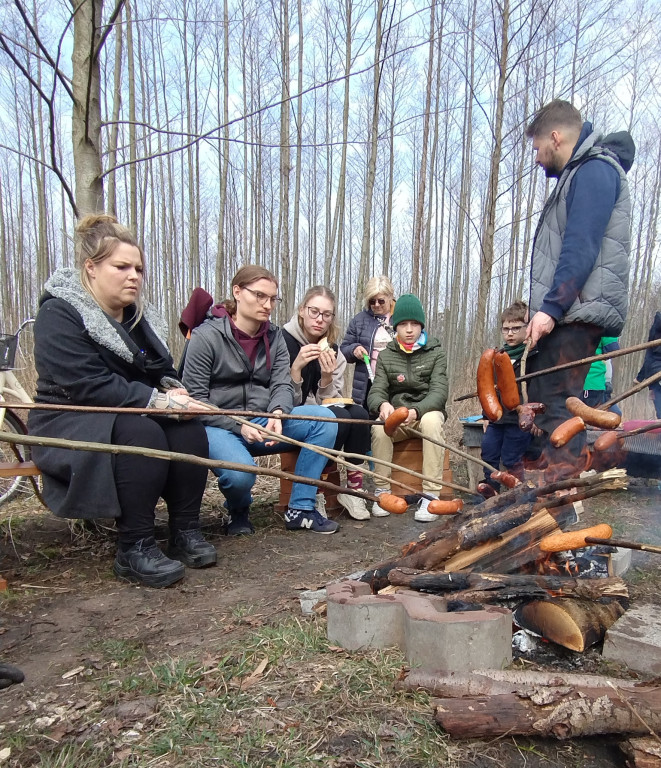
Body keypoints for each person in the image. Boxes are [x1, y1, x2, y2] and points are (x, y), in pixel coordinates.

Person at [28, 214, 216, 589]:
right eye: (122, 266)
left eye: (139, 268)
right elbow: (88, 385)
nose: (134, 275)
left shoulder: (140, 319)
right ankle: (135, 546)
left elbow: (158, 371)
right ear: (91, 268)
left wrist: (171, 391)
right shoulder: (59, 313)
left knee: (189, 432)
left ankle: (184, 530)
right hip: (70, 415)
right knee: (141, 432)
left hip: (132, 409)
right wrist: (157, 400)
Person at [181, 266, 340, 536]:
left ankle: (300, 508)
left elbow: (281, 383)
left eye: (272, 299)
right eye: (259, 296)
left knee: (325, 420)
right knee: (241, 474)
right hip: (218, 425)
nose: (267, 305)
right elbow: (195, 400)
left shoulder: (274, 337)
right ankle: (238, 510)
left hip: (263, 422)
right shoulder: (205, 337)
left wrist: (278, 412)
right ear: (237, 292)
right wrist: (237, 425)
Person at [524, 99, 634, 457]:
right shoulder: (582, 172)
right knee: (544, 401)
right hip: (568, 312)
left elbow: (580, 246)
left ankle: (563, 501)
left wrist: (550, 308)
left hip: (575, 312)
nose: (537, 159)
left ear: (556, 138)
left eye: (538, 148)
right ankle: (548, 494)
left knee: (559, 404)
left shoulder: (593, 171)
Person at [282, 287, 372, 520]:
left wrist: (326, 377)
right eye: (314, 312)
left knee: (360, 414)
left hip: (321, 408)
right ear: (302, 311)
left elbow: (333, 400)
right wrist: (296, 368)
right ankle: (317, 491)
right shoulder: (283, 342)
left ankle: (354, 489)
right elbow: (283, 399)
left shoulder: (334, 350)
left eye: (327, 314)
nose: (320, 320)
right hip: (292, 413)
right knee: (331, 420)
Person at [367, 294, 448, 521]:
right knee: (378, 427)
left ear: (421, 325)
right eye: (403, 324)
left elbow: (439, 393)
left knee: (432, 421)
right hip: (398, 417)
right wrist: (382, 404)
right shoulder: (386, 356)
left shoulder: (436, 353)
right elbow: (376, 391)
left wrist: (417, 411)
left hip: (425, 413)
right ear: (396, 327)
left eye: (414, 324)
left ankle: (431, 495)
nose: (409, 330)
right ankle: (383, 492)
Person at [480, 301, 534, 494]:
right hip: (498, 418)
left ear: (526, 328)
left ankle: (517, 493)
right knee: (488, 453)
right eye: (506, 329)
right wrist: (486, 415)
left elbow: (537, 390)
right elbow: (487, 388)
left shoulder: (532, 355)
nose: (510, 333)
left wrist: (535, 417)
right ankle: (490, 492)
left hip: (518, 421)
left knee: (511, 458)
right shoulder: (496, 357)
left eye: (515, 328)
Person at [340, 275, 396, 408]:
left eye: (381, 301)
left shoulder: (401, 318)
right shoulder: (359, 320)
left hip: (396, 384)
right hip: (367, 384)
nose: (376, 305)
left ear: (390, 297)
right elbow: (343, 350)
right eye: (372, 301)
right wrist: (355, 349)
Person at [582, 337, 621, 413]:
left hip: (569, 382)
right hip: (592, 381)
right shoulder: (604, 326)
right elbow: (613, 348)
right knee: (592, 417)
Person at [636, 312, 661, 418]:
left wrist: (639, 378)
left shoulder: (655, 329)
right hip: (655, 375)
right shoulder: (656, 328)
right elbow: (649, 358)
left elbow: (649, 358)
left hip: (655, 374)